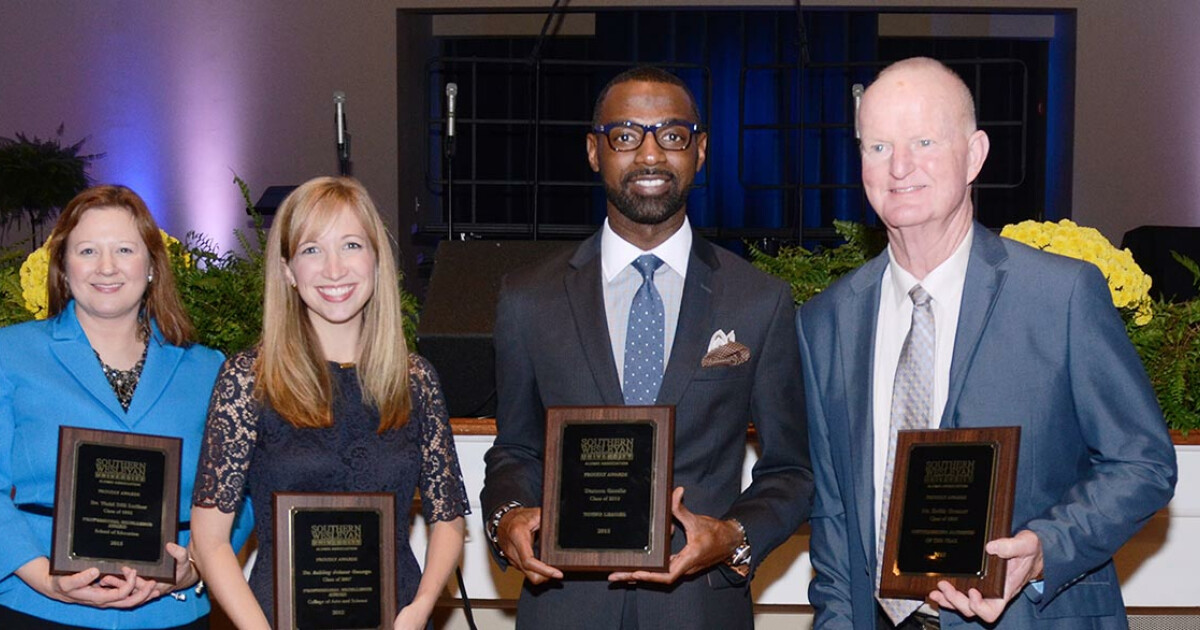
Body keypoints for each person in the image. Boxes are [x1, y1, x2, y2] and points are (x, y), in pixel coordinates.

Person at [797, 57, 1178, 629]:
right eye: (877, 147)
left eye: (924, 141)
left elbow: (1143, 462)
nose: (899, 166)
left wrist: (1045, 548)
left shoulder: (1060, 295)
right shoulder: (827, 321)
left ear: (974, 154)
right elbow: (833, 517)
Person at [480, 66, 813, 629]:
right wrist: (508, 517)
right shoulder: (527, 300)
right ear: (594, 151)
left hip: (700, 608)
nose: (651, 155)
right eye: (627, 135)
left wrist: (732, 535)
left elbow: (792, 470)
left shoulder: (760, 300)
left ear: (700, 151)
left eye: (673, 135)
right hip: (565, 607)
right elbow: (515, 450)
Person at [189, 176, 469, 630]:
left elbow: (450, 520)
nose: (334, 269)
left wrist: (419, 611)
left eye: (352, 245)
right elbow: (209, 539)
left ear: (377, 261)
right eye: (312, 250)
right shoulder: (247, 381)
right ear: (287, 271)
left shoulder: (415, 381)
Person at [0, 185, 254, 628]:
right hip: (38, 608)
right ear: (63, 265)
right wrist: (44, 579)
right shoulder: (10, 353)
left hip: (171, 612)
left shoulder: (208, 369)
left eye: (124, 249)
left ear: (153, 264)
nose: (106, 267)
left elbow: (244, 490)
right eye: (87, 251)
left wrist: (194, 565)